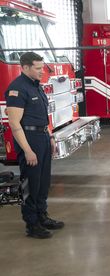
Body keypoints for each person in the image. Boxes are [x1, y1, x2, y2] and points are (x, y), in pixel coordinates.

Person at [6, 52, 64, 239]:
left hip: (43, 137)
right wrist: (28, 150)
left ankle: (42, 215)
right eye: (38, 68)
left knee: (43, 182)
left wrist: (51, 137)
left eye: (42, 67)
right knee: (31, 183)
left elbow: (44, 115)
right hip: (29, 139)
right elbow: (15, 125)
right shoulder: (17, 89)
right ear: (25, 67)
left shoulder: (37, 87)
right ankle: (32, 224)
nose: (42, 71)